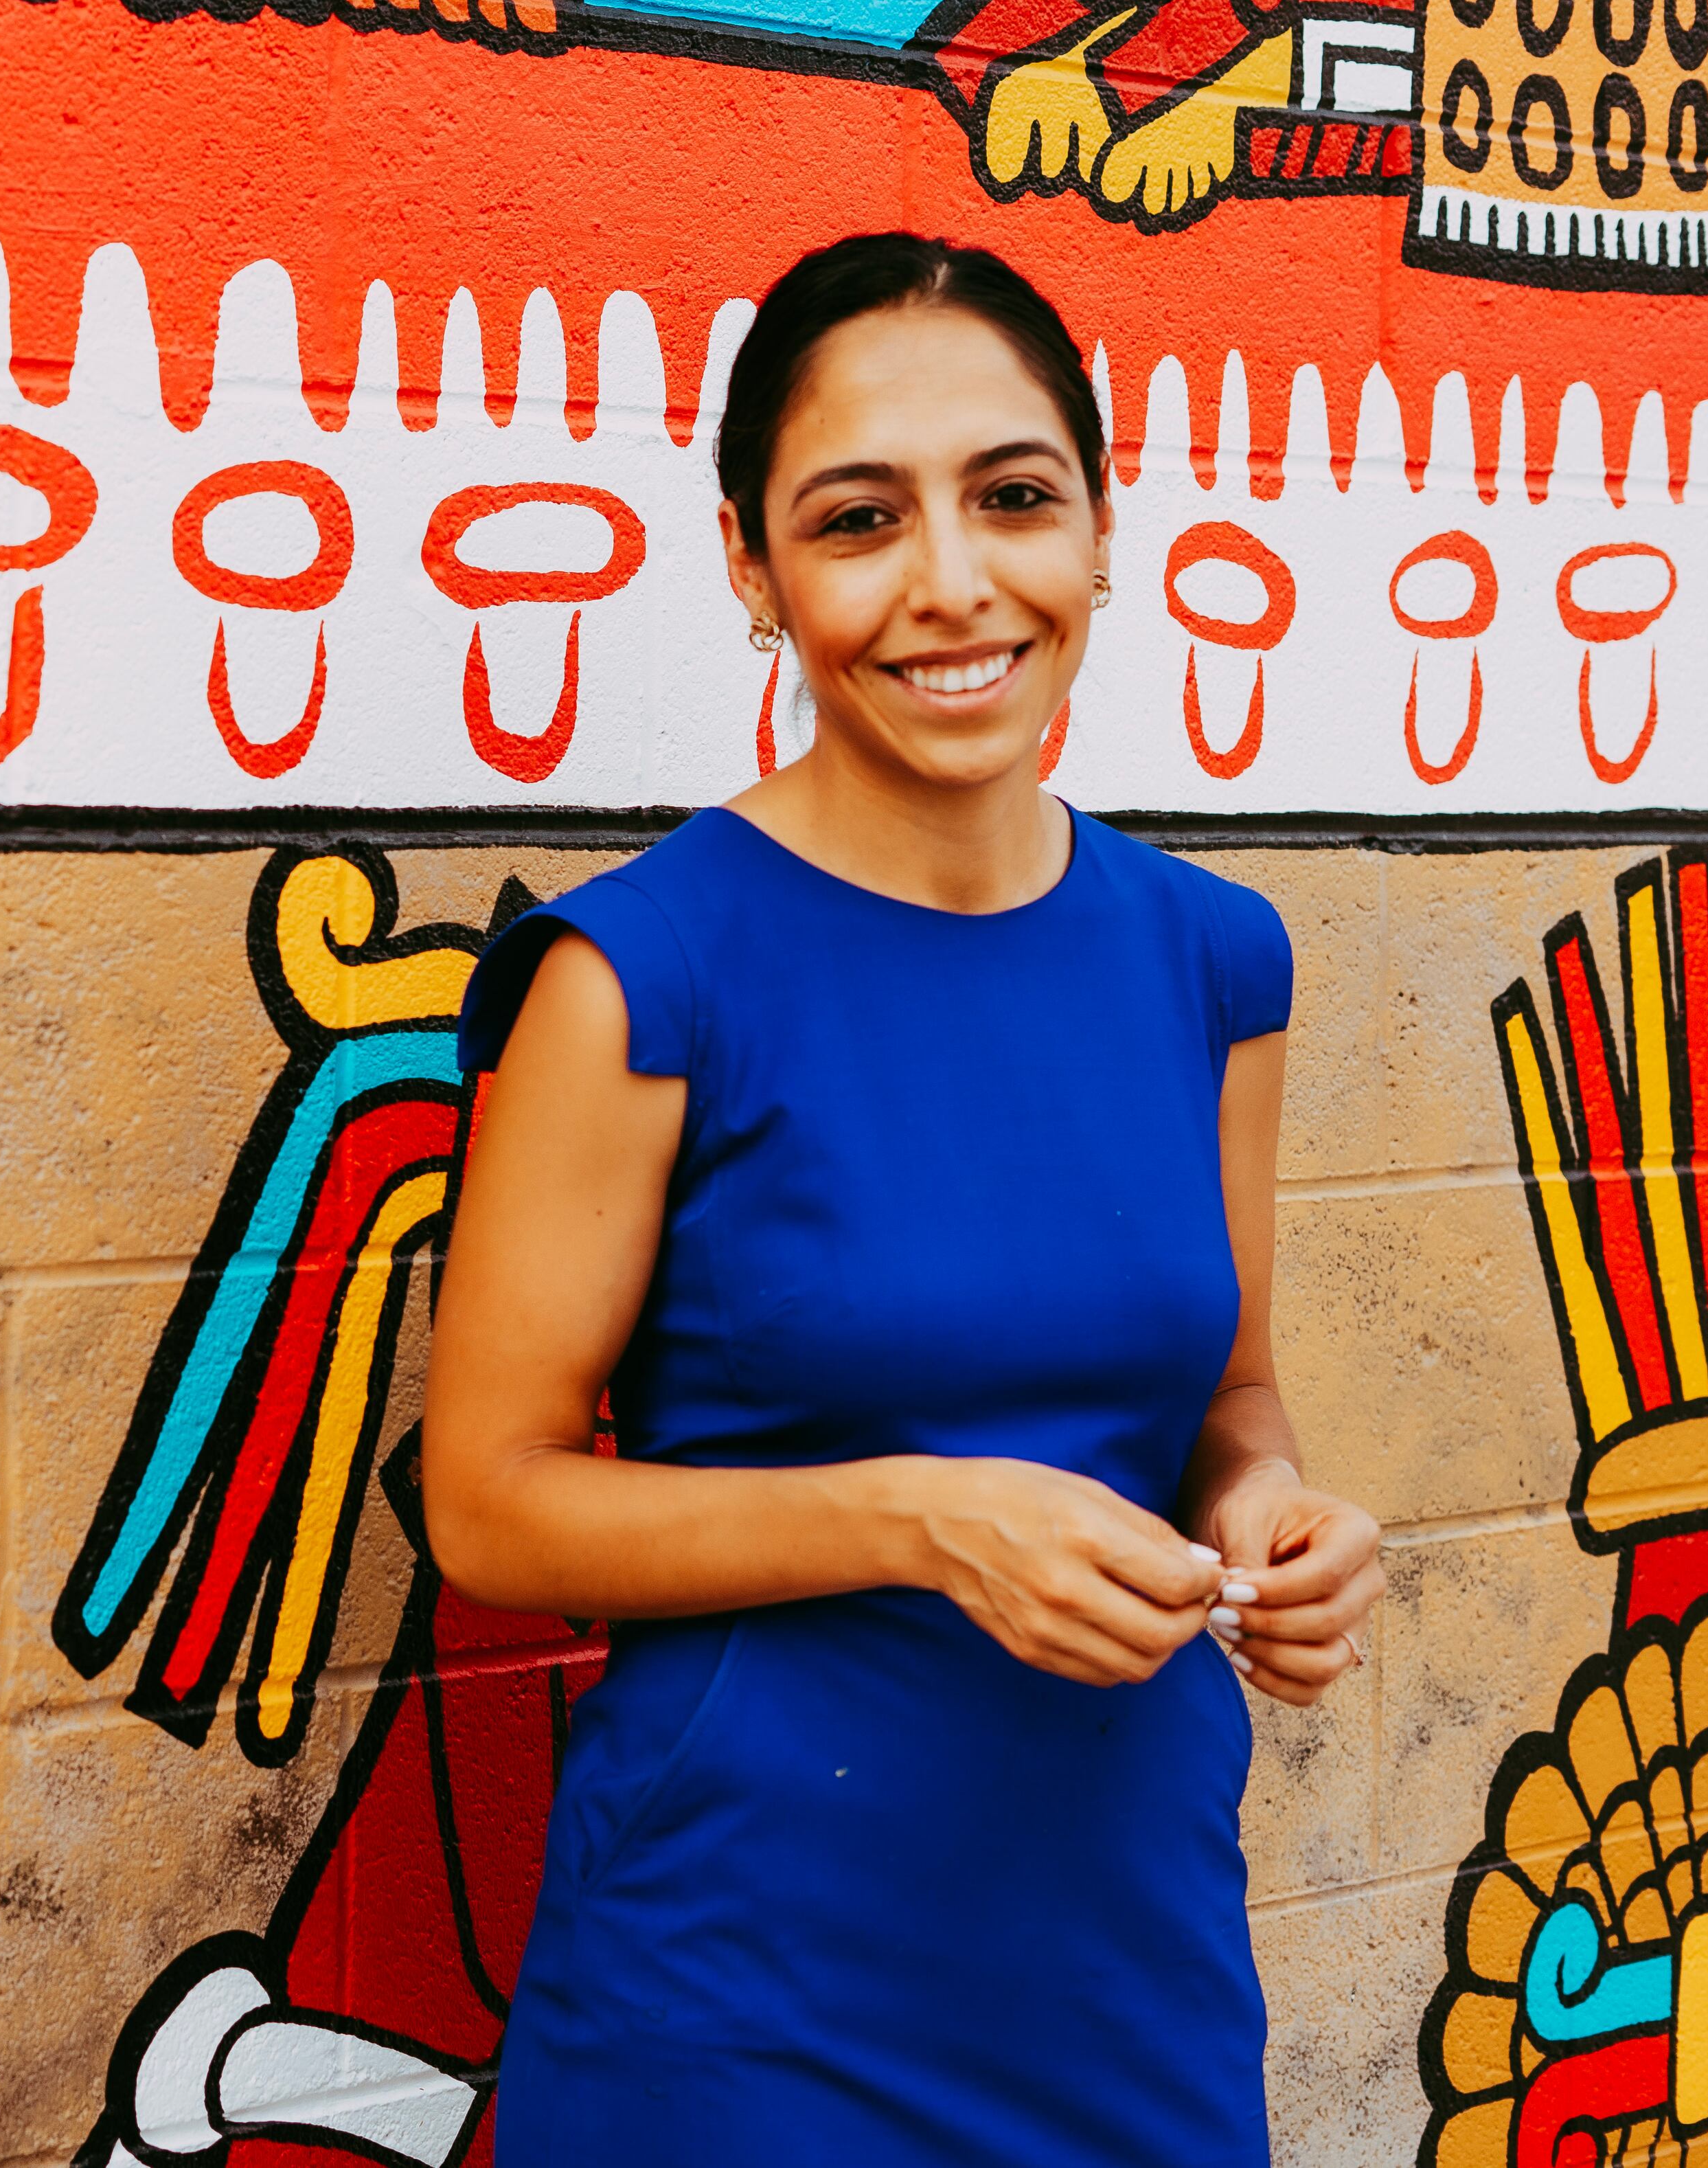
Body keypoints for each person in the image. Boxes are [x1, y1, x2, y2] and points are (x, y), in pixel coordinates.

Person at [420, 231, 1385, 2164]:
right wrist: (920, 1524)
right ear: (752, 571)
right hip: (743, 2009)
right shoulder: (645, 974)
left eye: (1014, 497)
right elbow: (488, 1506)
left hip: (1131, 1977)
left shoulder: (1215, 963)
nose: (953, 583)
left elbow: (1229, 1397)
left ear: (1104, 531)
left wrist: (1270, 1516)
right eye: (858, 520)